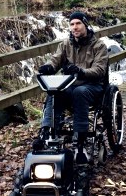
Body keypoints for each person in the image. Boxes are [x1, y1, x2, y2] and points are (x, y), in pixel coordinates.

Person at [35, 11, 109, 164]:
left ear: (85, 25)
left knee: (80, 93)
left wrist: (81, 72)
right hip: (70, 85)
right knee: (54, 92)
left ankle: (80, 143)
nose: (75, 27)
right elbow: (55, 60)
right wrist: (48, 67)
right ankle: (47, 133)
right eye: (72, 24)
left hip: (92, 85)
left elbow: (99, 70)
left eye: (78, 24)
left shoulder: (99, 45)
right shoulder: (65, 44)